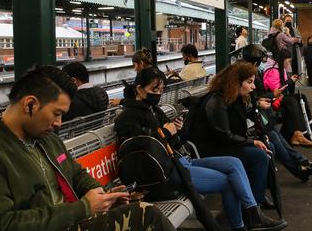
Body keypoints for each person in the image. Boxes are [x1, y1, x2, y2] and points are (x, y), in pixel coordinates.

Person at [0, 66, 175, 231]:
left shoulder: (47, 139)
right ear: (30, 104)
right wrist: (83, 208)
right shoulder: (3, 151)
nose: (59, 123)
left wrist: (104, 196)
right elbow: (5, 223)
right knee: (147, 216)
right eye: (57, 113)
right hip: (62, 223)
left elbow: (76, 174)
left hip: (72, 221)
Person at [114, 67, 286, 231]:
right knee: (229, 181)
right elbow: (144, 151)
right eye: (155, 89)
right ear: (139, 89)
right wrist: (166, 132)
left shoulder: (154, 110)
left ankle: (253, 213)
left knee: (234, 163)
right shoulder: (127, 118)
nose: (159, 94)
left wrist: (178, 131)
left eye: (162, 90)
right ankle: (241, 225)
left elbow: (174, 143)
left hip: (180, 162)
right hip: (166, 175)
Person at [188, 63, 275, 208]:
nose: (253, 87)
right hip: (211, 149)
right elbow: (224, 135)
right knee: (259, 156)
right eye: (249, 82)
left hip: (223, 145)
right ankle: (254, 204)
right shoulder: (217, 101)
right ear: (236, 82)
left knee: (268, 146)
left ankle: (256, 196)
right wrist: (252, 142)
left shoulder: (232, 98)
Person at [238, 44, 312, 182]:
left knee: (275, 132)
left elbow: (252, 97)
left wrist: (260, 100)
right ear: (255, 62)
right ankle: (301, 164)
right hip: (249, 121)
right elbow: (248, 99)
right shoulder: (245, 76)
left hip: (255, 116)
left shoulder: (248, 74)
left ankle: (302, 163)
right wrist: (260, 101)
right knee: (273, 133)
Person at [262, 49, 312, 147]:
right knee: (292, 101)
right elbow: (276, 90)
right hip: (274, 99)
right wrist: (290, 81)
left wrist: (291, 81)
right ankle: (299, 133)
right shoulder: (273, 70)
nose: (289, 63)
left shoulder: (280, 69)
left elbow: (284, 87)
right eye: (288, 61)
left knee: (301, 97)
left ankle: (309, 124)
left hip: (280, 96)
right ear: (283, 60)